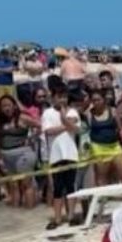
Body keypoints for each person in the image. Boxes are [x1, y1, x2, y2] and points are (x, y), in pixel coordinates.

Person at [41, 87, 81, 229]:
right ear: (53, 98)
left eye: (64, 97)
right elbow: (48, 131)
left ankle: (71, 215)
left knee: (71, 186)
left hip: (70, 154)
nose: (62, 100)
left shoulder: (72, 111)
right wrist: (66, 126)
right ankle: (57, 218)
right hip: (55, 155)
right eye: (59, 97)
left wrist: (65, 118)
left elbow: (75, 127)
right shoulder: (47, 113)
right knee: (57, 187)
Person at [0, 95, 39, 208]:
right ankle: (16, 217)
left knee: (26, 184)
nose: (6, 108)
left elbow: (39, 125)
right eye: (3, 106)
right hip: (7, 156)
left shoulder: (22, 118)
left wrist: (32, 138)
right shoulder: (0, 120)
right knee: (13, 185)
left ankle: (30, 212)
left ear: (14, 106)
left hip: (23, 154)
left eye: (8, 105)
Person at [87, 88, 122, 186]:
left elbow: (120, 129)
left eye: (98, 100)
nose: (96, 102)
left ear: (104, 100)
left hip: (114, 146)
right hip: (98, 148)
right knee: (102, 174)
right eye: (94, 100)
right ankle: (103, 197)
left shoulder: (113, 111)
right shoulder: (89, 114)